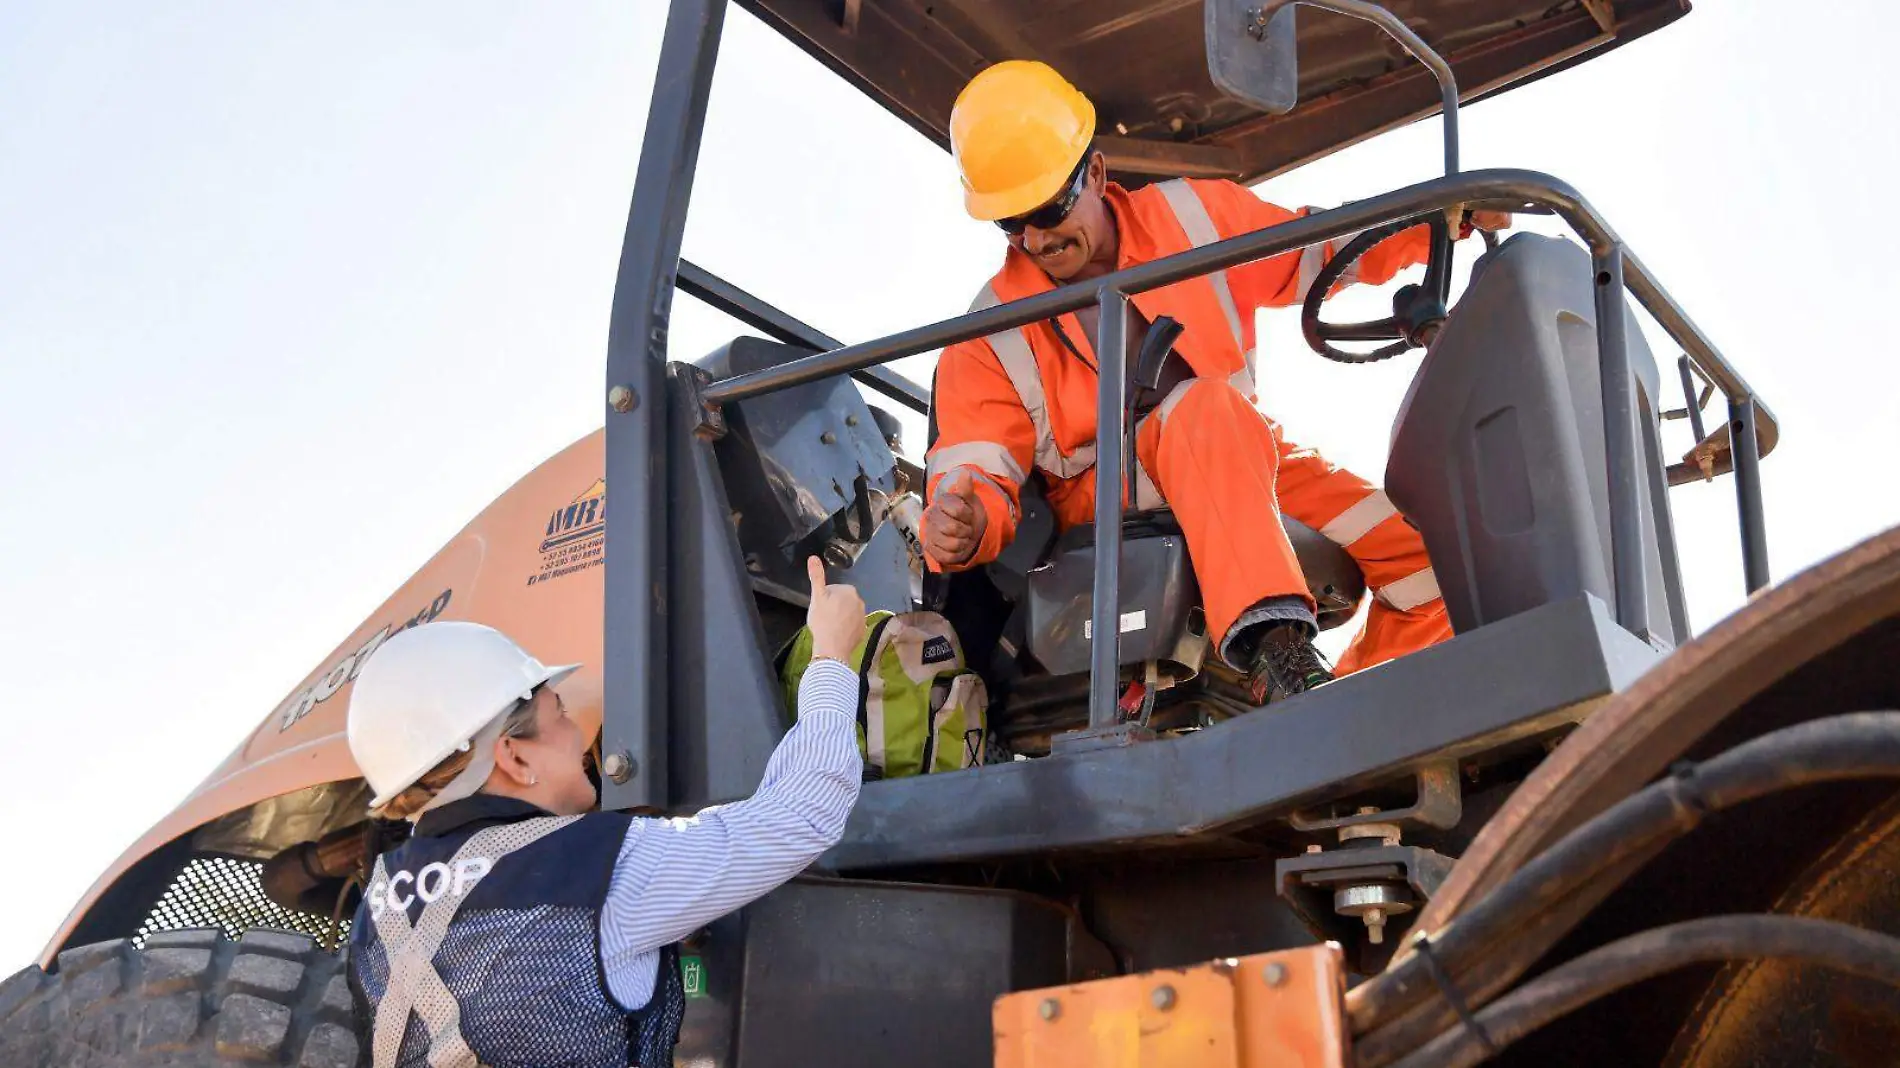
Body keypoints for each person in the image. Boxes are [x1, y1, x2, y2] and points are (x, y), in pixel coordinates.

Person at [923, 60, 1507, 703]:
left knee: (1429, 560)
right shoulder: (989, 327)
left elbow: (1315, 250)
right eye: (1011, 223)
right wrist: (967, 518)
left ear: (1093, 172)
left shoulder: (1193, 216)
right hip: (1105, 494)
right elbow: (975, 463)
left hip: (1242, 451)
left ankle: (1346, 710)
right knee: (1203, 405)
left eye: (1048, 208)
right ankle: (1278, 652)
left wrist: (1432, 222)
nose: (1037, 238)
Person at [343, 558, 866, 1068]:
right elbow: (804, 812)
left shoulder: (380, 900)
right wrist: (831, 654)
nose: (580, 734)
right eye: (561, 714)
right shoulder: (597, 864)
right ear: (515, 755)